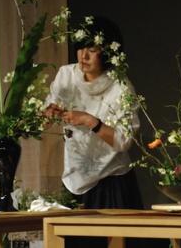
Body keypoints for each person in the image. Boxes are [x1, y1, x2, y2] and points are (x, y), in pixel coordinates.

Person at [44, 16, 148, 247]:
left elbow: (123, 141)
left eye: (92, 50)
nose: (84, 56)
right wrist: (49, 112)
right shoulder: (66, 75)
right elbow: (48, 112)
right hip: (76, 177)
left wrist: (92, 121)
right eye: (81, 48)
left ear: (107, 53)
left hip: (112, 181)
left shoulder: (120, 86)